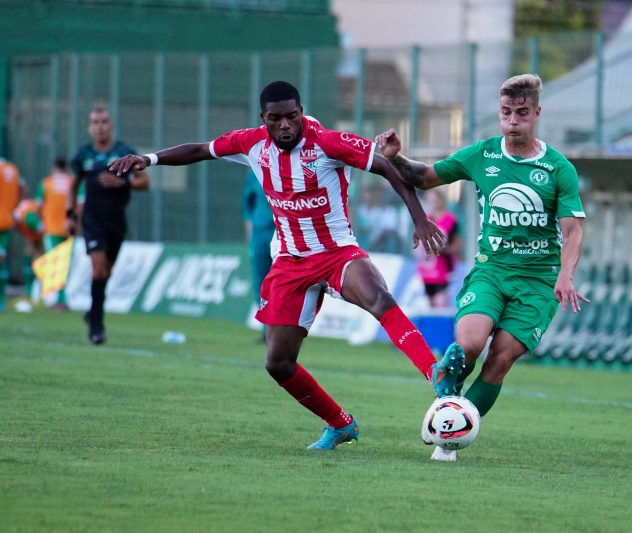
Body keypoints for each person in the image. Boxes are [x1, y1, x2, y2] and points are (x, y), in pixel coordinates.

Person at [109, 81, 463, 451]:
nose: (285, 126)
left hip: (336, 251)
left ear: (300, 112)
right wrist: (148, 159)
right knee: (278, 363)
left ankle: (435, 373)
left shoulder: (328, 142)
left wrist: (420, 219)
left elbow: (389, 170)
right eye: (275, 119)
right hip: (291, 261)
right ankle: (340, 424)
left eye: (291, 116)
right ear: (263, 119)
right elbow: (200, 149)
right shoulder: (250, 143)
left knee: (379, 298)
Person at [376, 74, 588, 461]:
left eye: (521, 113)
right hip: (491, 270)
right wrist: (394, 157)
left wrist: (565, 273)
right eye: (506, 113)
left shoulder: (559, 169)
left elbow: (574, 230)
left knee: (501, 357)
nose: (512, 121)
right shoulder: (483, 154)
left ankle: (448, 438)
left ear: (536, 113)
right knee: (469, 345)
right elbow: (424, 177)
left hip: (538, 281)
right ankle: (448, 380)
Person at [68, 107, 150, 344]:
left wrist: (121, 183)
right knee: (98, 268)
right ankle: (97, 326)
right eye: (95, 122)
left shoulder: (124, 153)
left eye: (104, 121)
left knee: (106, 273)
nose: (100, 126)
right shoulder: (83, 155)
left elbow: (144, 182)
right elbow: (73, 187)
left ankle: (92, 311)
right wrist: (69, 215)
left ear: (111, 125)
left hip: (115, 221)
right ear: (89, 127)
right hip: (92, 220)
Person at [241, 168, 276, 342]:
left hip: (286, 232)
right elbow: (247, 202)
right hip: (261, 232)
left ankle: (286, 330)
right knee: (262, 282)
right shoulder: (255, 169)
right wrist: (249, 228)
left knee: (285, 281)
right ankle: (266, 329)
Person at [37, 157, 75, 310]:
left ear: (54, 167)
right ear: (66, 167)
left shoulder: (46, 183)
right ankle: (62, 299)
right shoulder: (73, 182)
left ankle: (53, 299)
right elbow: (80, 204)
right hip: (69, 229)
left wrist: (42, 222)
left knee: (53, 264)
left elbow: (39, 206)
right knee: (64, 265)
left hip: (51, 229)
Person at [414, 188, 461, 307]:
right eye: (429, 200)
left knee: (440, 304)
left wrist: (443, 249)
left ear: (441, 200)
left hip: (443, 269)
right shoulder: (426, 220)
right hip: (427, 269)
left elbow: (458, 245)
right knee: (429, 305)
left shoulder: (450, 220)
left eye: (435, 200)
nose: (432, 203)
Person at [0, 157, 24, 312]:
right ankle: (1, 301)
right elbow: (23, 188)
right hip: (7, 219)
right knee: (1, 259)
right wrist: (15, 208)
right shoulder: (12, 168)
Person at [12, 198, 43, 300]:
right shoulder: (17, 215)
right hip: (32, 235)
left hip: (43, 234)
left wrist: (37, 248)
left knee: (39, 261)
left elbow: (41, 229)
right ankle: (28, 291)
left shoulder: (29, 217)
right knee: (28, 257)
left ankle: (40, 291)